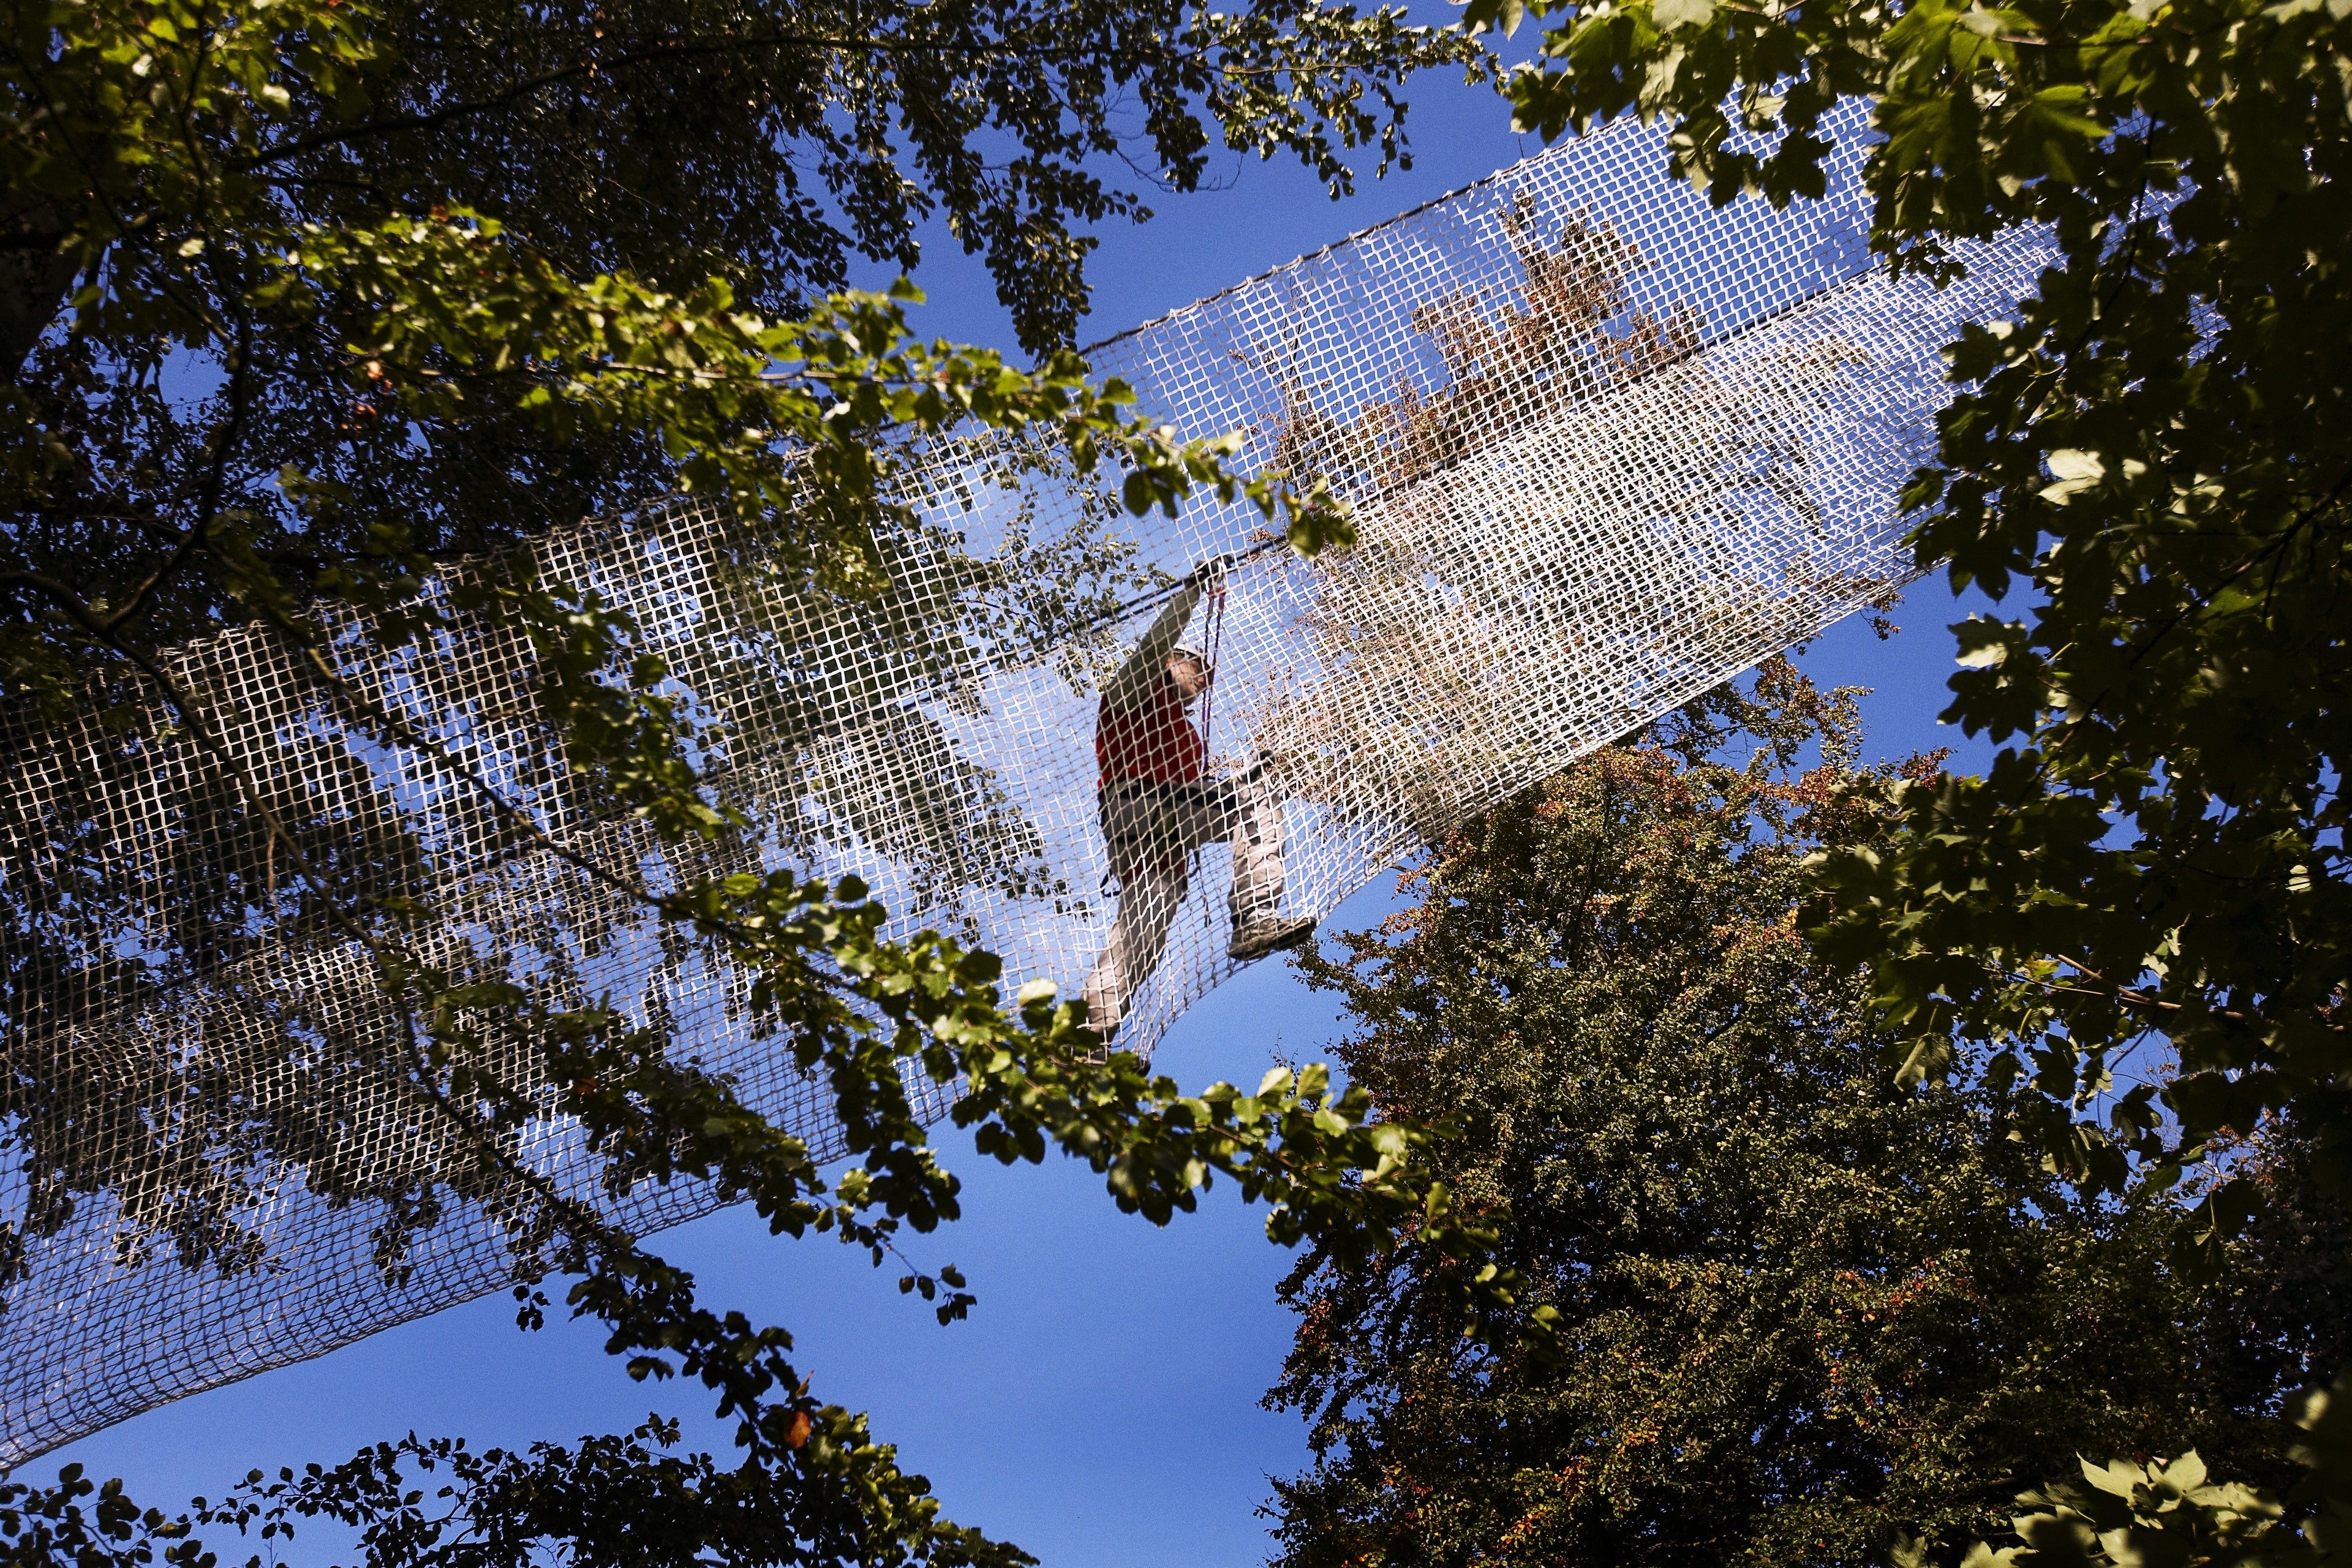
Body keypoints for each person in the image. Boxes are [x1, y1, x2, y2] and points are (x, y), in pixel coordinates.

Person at [1079, 556, 1316, 1042]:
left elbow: (1199, 792)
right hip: (1140, 802)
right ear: (1172, 663)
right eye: (1197, 667)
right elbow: (1153, 645)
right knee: (1255, 796)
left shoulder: (1186, 733)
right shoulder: (1131, 693)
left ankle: (1090, 1036)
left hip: (1151, 837)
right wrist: (1192, 591)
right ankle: (1254, 916)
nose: (1205, 678)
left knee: (1140, 939)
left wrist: (1253, 769)